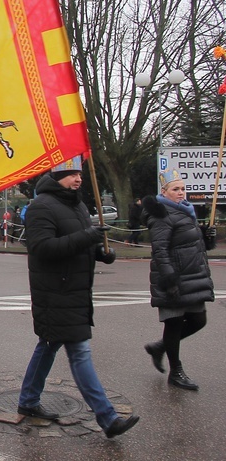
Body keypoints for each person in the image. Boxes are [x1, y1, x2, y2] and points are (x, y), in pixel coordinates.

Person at [17, 156, 139, 438]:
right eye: (72, 174)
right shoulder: (40, 207)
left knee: (48, 345)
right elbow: (42, 247)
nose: (79, 179)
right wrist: (88, 238)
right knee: (79, 352)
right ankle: (107, 418)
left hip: (74, 292)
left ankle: (27, 400)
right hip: (55, 292)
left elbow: (80, 242)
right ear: (58, 176)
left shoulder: (79, 205)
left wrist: (102, 253)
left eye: (80, 174)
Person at [141, 169, 216, 390]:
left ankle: (159, 347)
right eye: (176, 189)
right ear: (164, 192)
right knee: (173, 324)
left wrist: (206, 236)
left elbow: (190, 243)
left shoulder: (185, 211)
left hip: (190, 277)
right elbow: (160, 250)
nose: (181, 193)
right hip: (172, 279)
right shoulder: (162, 215)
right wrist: (169, 280)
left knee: (198, 320)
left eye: (183, 188)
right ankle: (176, 372)